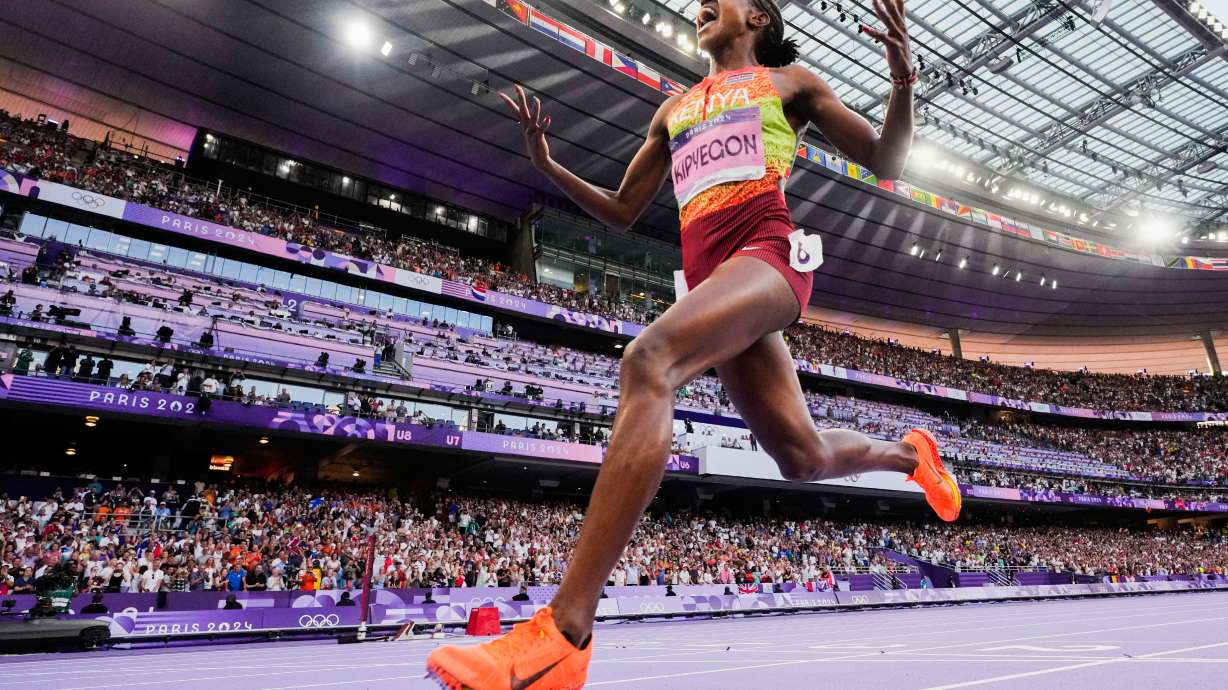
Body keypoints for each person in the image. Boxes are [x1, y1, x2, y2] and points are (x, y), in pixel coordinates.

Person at [425, 2, 958, 688]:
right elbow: (622, 208)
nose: (700, 4)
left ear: (759, 17)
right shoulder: (674, 109)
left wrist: (903, 84)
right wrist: (549, 166)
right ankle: (910, 455)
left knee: (649, 361)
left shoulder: (791, 83)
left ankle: (563, 632)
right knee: (801, 456)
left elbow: (886, 160)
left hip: (768, 255)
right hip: (712, 278)